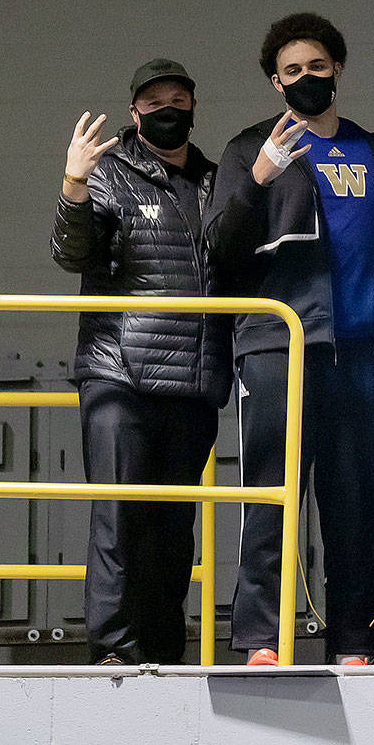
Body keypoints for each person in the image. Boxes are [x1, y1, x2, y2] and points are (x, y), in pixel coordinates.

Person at [204, 12, 374, 666]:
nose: (307, 77)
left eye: (318, 66)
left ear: (338, 70)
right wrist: (259, 178)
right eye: (293, 70)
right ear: (276, 82)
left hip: (364, 357)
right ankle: (258, 641)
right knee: (270, 496)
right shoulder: (250, 150)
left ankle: (354, 643)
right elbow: (215, 246)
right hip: (278, 349)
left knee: (355, 503)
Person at [50, 59, 231, 664]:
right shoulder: (110, 173)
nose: (168, 110)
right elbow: (72, 253)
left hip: (193, 378)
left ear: (194, 108)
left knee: (173, 532)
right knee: (120, 515)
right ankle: (115, 650)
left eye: (179, 99)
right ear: (135, 113)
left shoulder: (214, 179)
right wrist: (75, 184)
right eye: (154, 103)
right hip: (119, 373)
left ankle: (162, 649)